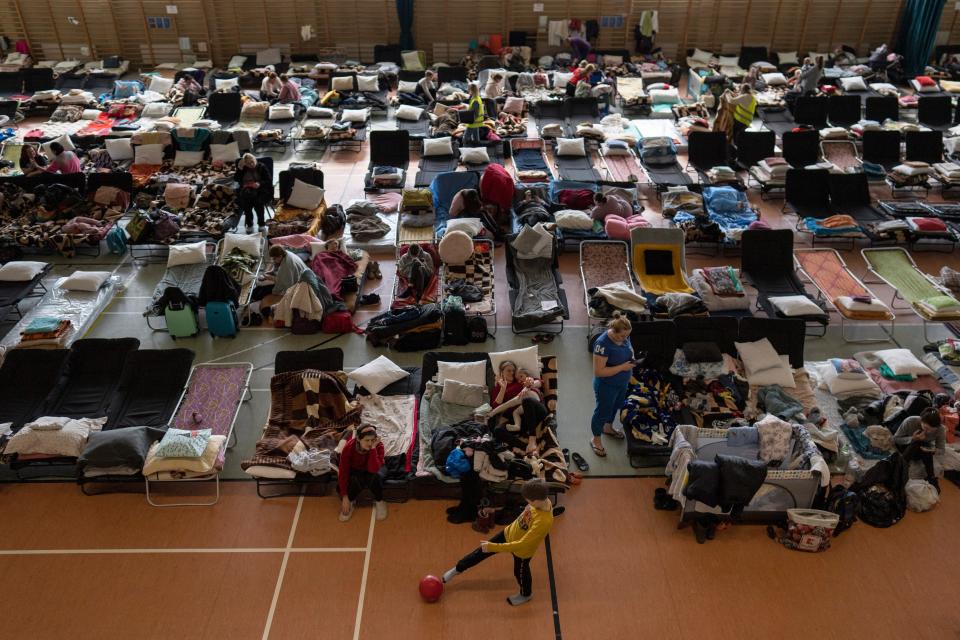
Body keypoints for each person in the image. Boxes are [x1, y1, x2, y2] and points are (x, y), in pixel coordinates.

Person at [442, 478, 554, 606]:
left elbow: (522, 544)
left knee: (520, 573)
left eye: (528, 501)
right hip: (508, 534)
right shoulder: (540, 500)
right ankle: (457, 569)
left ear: (537, 501)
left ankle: (526, 594)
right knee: (479, 552)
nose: (527, 502)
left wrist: (493, 547)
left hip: (522, 551)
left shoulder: (544, 521)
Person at [590, 312, 635, 457]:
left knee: (615, 407)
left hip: (621, 383)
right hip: (606, 385)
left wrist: (633, 360)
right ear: (614, 332)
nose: (625, 338)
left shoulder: (624, 336)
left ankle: (608, 427)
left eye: (627, 336)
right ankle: (596, 439)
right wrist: (623, 367)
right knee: (602, 412)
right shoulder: (602, 344)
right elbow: (599, 371)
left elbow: (629, 349)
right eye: (622, 336)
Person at [337, 424, 388, 522]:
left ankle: (379, 500)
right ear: (358, 439)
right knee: (353, 480)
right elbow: (343, 472)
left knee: (375, 477)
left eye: (372, 440)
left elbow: (373, 469)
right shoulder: (348, 448)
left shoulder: (378, 445)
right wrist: (345, 496)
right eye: (367, 440)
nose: (370, 443)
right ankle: (351, 501)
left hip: (374, 467)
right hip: (357, 470)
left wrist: (373, 449)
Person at [251, 245, 320, 309]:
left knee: (262, 291)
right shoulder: (286, 253)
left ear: (280, 256)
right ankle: (254, 295)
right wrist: (270, 272)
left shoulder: (287, 265)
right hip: (301, 274)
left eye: (274, 258)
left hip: (302, 283)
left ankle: (255, 297)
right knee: (259, 289)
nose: (273, 260)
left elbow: (283, 282)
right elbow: (277, 267)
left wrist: (268, 277)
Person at [894, 407, 945, 492]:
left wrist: (933, 450)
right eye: (925, 428)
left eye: (931, 430)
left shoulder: (940, 429)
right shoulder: (910, 421)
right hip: (905, 446)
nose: (927, 432)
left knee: (926, 447)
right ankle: (899, 470)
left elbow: (942, 449)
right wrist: (912, 439)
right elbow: (895, 439)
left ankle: (931, 477)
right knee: (916, 443)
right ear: (921, 420)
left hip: (922, 450)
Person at [233, 153, 272, 233]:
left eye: (252, 162)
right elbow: (236, 179)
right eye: (248, 163)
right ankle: (249, 224)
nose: (251, 164)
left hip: (260, 190)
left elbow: (268, 180)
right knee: (247, 206)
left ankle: (261, 224)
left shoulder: (262, 167)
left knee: (259, 204)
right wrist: (239, 169)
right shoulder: (243, 168)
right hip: (246, 191)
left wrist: (259, 184)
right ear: (245, 164)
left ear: (255, 160)